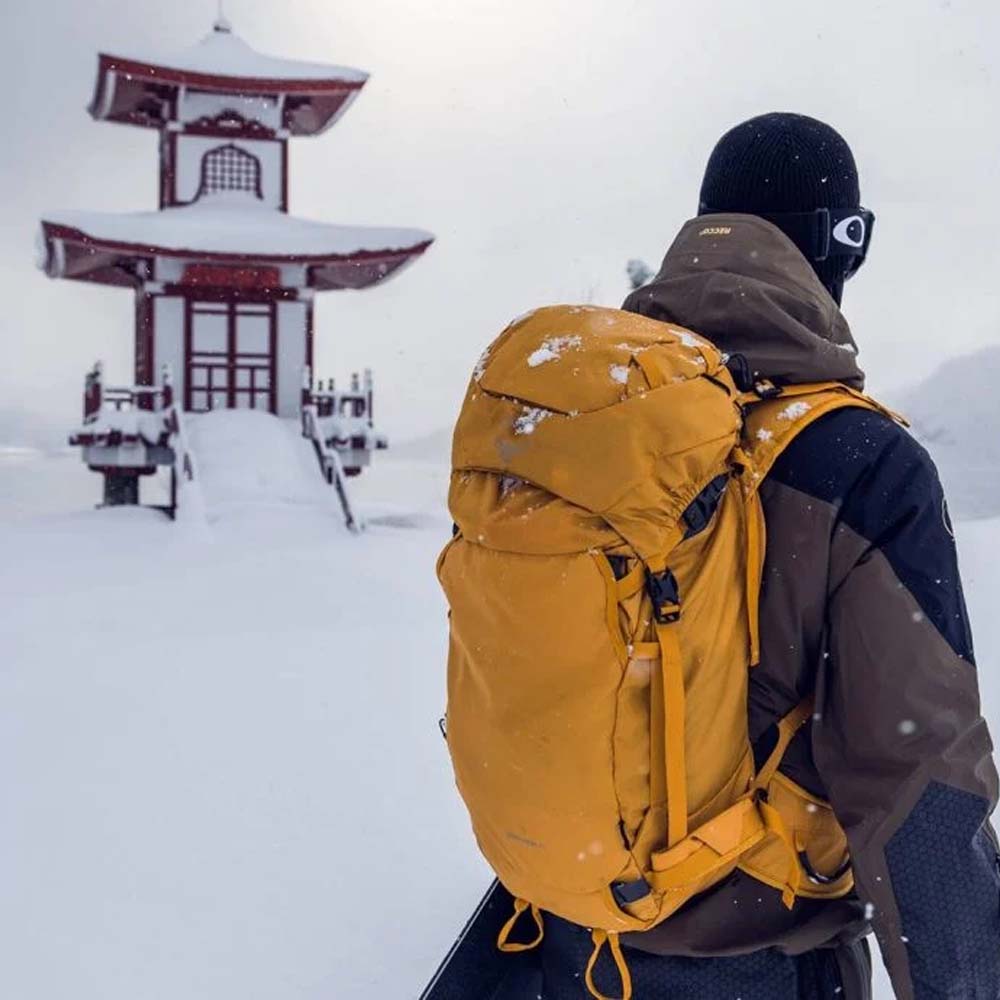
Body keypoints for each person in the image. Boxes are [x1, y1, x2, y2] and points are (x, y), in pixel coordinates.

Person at [524, 113, 1000, 999]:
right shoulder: (861, 463)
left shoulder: (595, 430)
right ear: (841, 247)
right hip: (763, 963)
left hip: (571, 946)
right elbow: (915, 779)